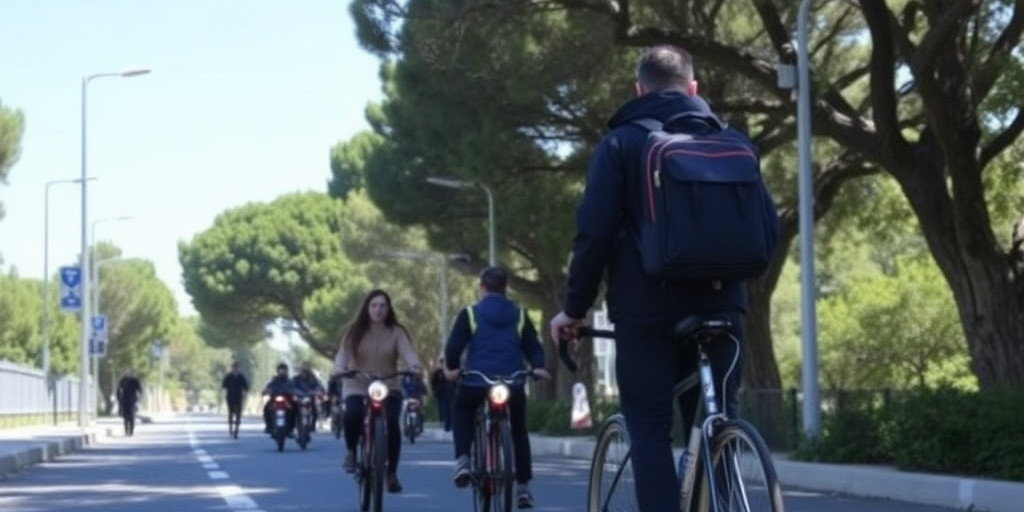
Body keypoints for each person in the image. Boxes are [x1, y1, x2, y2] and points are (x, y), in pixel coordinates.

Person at [549, 45, 779, 512]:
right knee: (718, 421)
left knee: (649, 427)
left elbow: (593, 233)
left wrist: (574, 309)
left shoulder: (620, 144)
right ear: (694, 89)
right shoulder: (735, 142)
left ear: (639, 89)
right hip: (723, 307)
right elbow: (768, 229)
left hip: (646, 307)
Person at [445, 266, 549, 509]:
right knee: (519, 429)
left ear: (482, 288)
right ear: (506, 289)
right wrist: (537, 367)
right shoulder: (520, 314)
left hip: (476, 381)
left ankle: (463, 460)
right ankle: (522, 487)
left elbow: (453, 349)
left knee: (462, 409)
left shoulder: (470, 313)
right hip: (512, 382)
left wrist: (452, 369)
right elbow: (533, 346)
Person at [333, 289, 422, 493]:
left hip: (388, 385)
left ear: (388, 309)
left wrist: (414, 367)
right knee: (353, 413)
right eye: (374, 305)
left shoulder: (397, 331)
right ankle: (350, 452)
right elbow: (342, 356)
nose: (378, 310)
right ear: (366, 308)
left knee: (392, 423)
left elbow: (408, 354)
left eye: (383, 306)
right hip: (357, 383)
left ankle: (391, 473)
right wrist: (339, 370)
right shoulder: (353, 331)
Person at [262, 363, 296, 435]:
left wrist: (294, 392)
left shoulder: (290, 381)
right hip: (274, 399)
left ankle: (291, 429)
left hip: (287, 400)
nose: (282, 372)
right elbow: (268, 387)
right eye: (280, 370)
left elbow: (294, 389)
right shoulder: (274, 381)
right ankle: (269, 426)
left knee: (295, 409)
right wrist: (265, 391)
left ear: (286, 371)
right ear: (277, 371)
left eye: (283, 370)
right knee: (266, 408)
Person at [291, 362, 326, 429]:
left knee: (314, 409)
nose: (304, 373)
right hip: (299, 397)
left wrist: (315, 391)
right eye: (302, 370)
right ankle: (292, 425)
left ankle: (313, 425)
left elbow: (319, 386)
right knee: (292, 409)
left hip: (310, 397)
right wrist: (295, 391)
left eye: (305, 371)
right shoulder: (296, 378)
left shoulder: (313, 378)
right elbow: (291, 386)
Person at [221, 361, 249, 438]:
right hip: (230, 397)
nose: (235, 369)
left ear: (238, 368)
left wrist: (244, 393)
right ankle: (230, 428)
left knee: (238, 414)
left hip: (239, 397)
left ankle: (236, 430)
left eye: (236, 368)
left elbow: (246, 386)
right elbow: (223, 385)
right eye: (234, 368)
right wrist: (226, 390)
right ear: (232, 368)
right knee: (230, 412)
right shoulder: (228, 376)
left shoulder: (241, 377)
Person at [429, 357, 454, 432]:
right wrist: (435, 390)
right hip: (441, 393)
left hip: (450, 392)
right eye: (442, 363)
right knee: (443, 408)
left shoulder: (450, 370)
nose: (443, 364)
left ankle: (450, 424)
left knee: (450, 408)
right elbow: (433, 382)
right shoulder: (437, 372)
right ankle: (445, 423)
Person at [116, 369, 143, 437]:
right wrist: (119, 399)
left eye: (129, 372)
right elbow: (119, 389)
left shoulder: (135, 380)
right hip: (124, 400)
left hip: (132, 400)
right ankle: (126, 430)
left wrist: (138, 398)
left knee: (131, 416)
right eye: (126, 372)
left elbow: (140, 390)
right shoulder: (123, 380)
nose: (127, 373)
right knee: (125, 416)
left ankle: (131, 431)